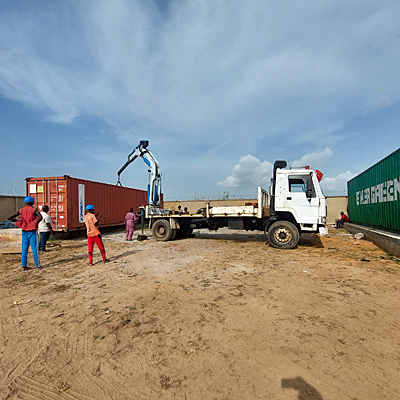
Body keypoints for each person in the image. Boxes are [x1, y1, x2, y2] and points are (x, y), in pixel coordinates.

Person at [8, 196, 43, 270]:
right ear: (33, 202)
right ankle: (37, 265)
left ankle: (24, 265)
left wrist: (19, 223)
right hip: (32, 231)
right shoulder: (34, 210)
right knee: (34, 249)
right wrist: (34, 223)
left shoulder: (21, 210)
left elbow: (10, 218)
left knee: (24, 249)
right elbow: (40, 217)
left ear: (26, 202)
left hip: (24, 231)